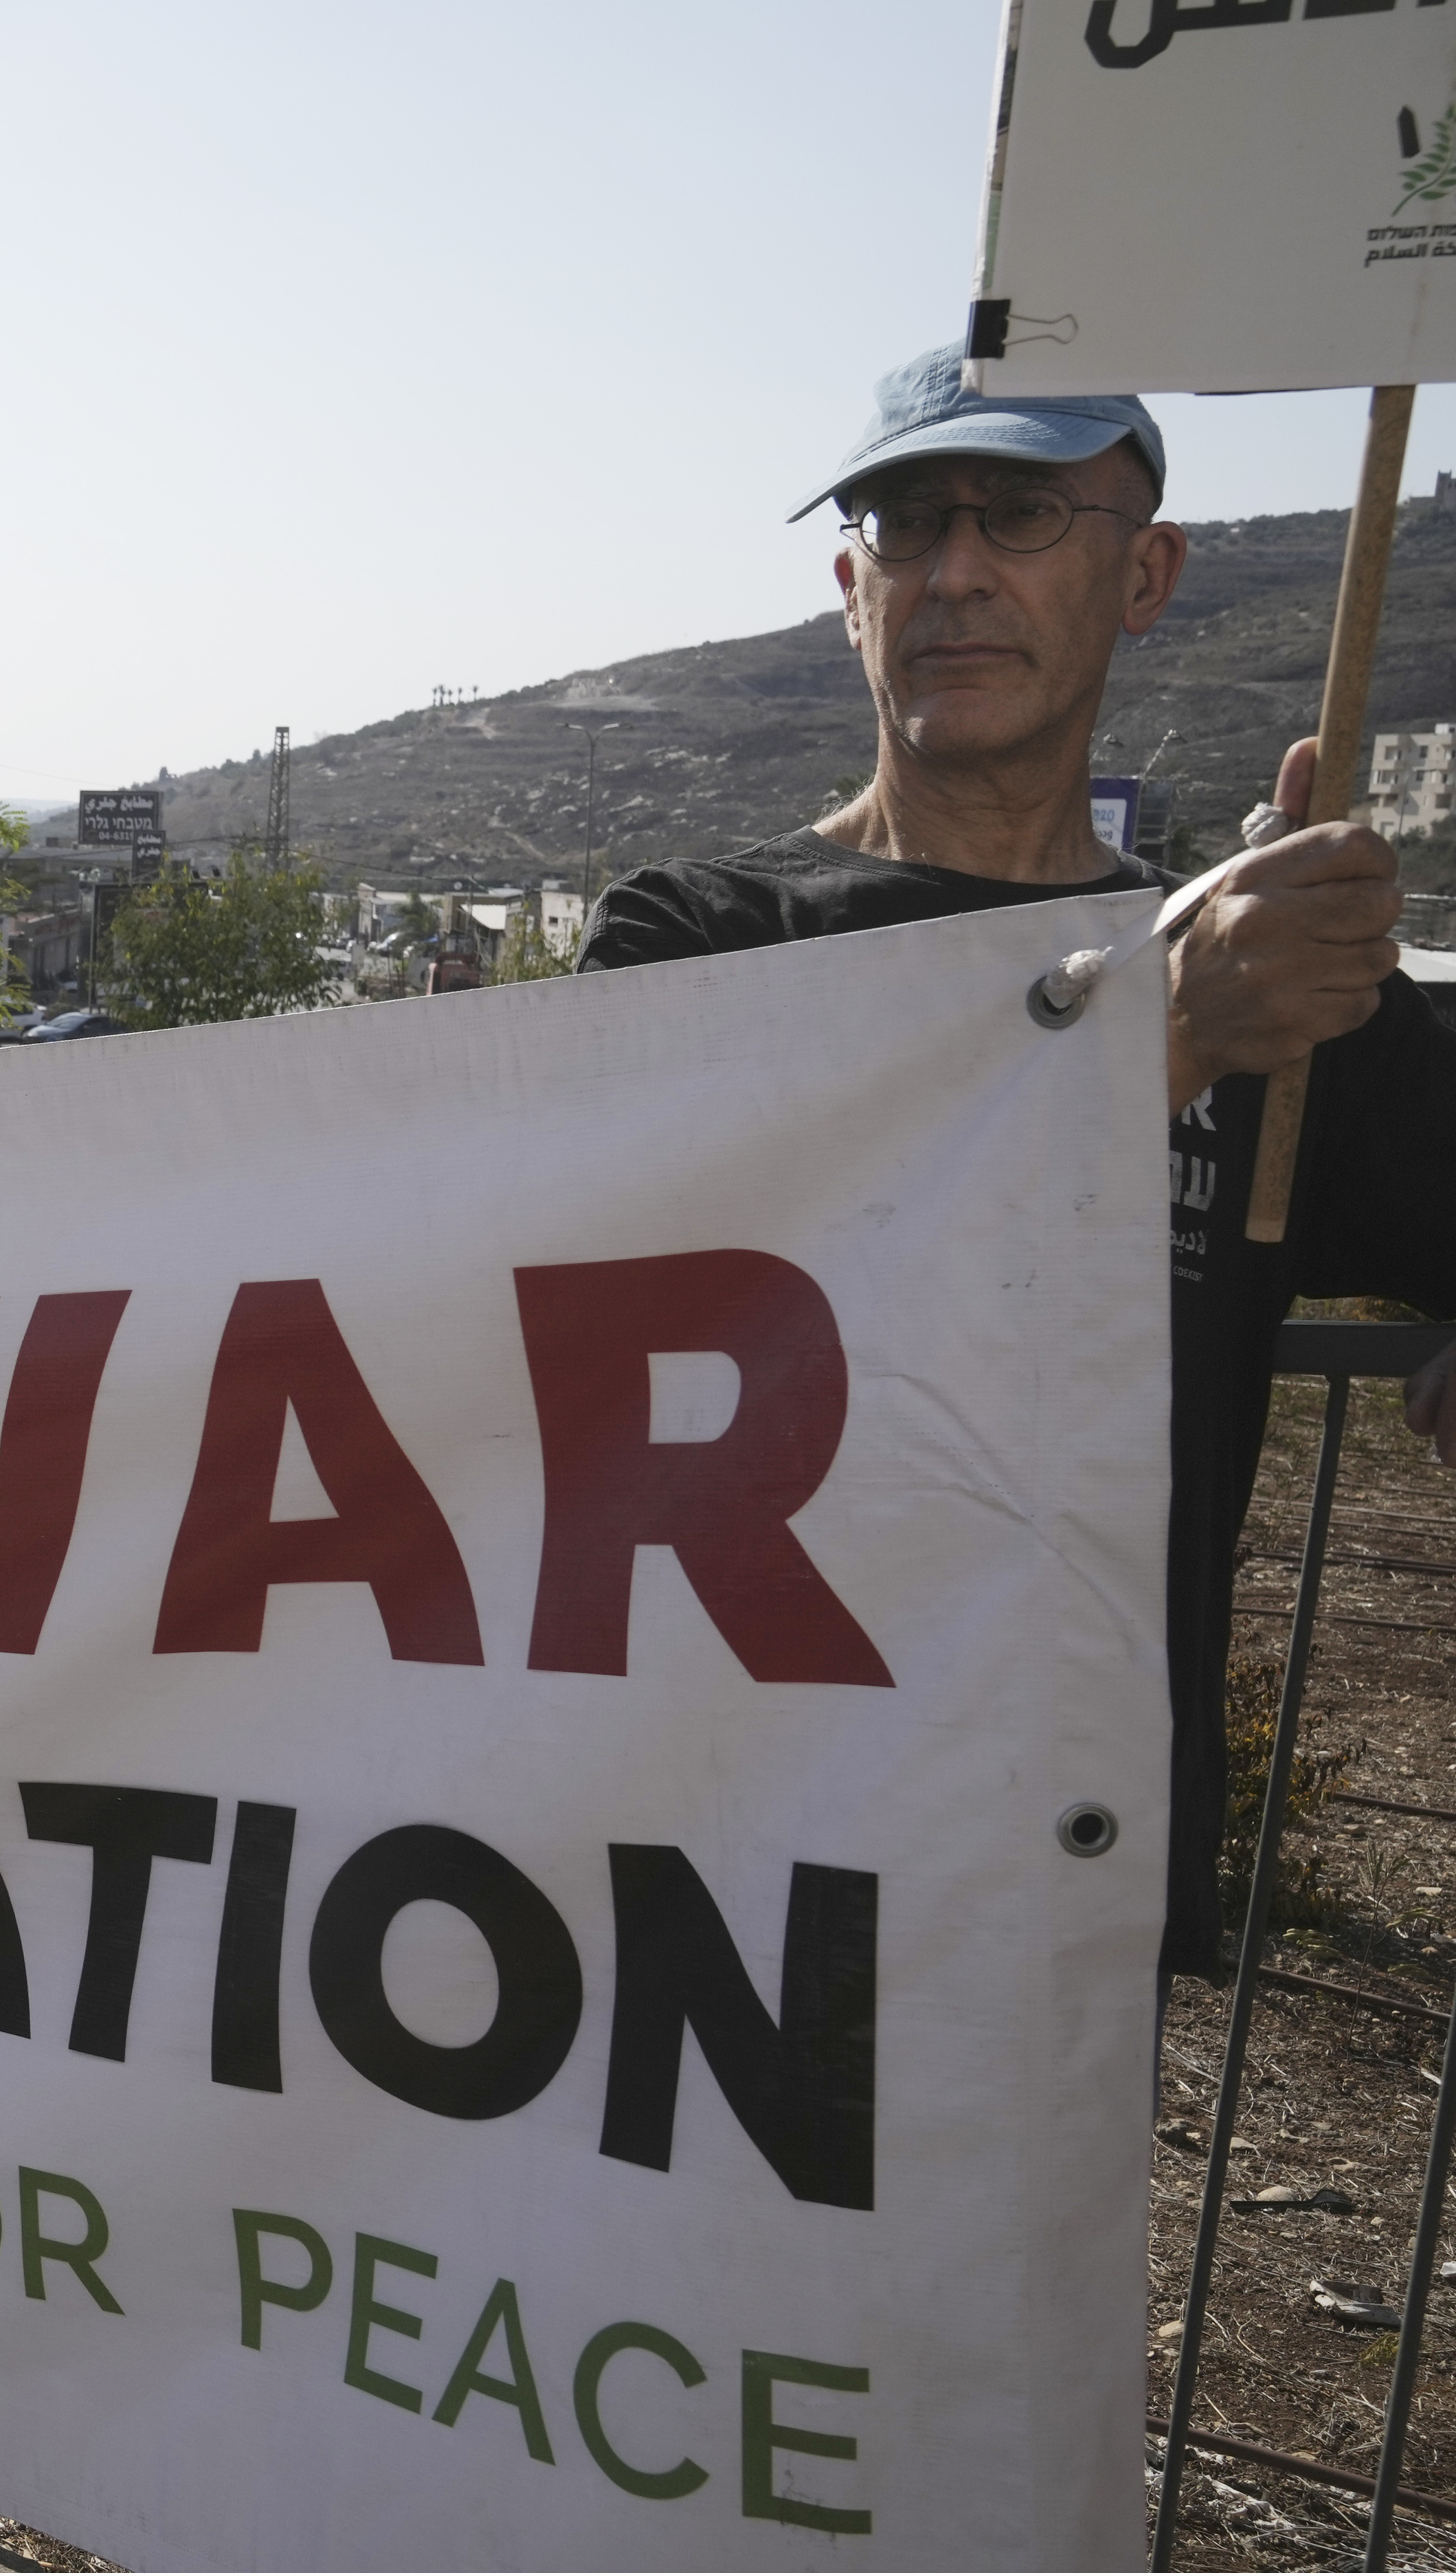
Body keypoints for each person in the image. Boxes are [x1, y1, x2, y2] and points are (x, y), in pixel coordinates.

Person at [579, 342, 1456, 1992]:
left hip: (1057, 1891)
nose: (957, 568)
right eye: (907, 524)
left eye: (1021, 512)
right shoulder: (692, 941)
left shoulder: (1267, 981)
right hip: (695, 1855)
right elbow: (637, 1314)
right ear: (851, 589)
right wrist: (1155, 1052)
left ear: (1149, 569)